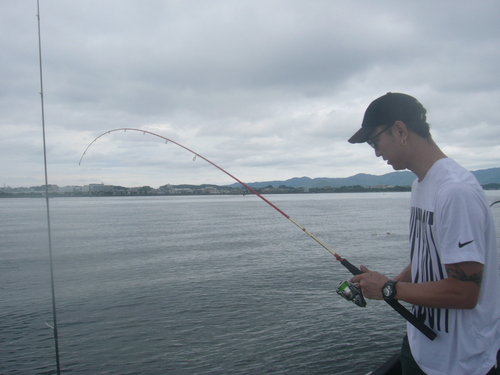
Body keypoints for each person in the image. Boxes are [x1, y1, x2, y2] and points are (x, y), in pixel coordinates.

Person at [348, 93, 500, 375]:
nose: (376, 152)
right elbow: (429, 254)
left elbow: (465, 292)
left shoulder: (455, 191)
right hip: (422, 344)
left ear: (400, 130)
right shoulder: (421, 185)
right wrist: (390, 282)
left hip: (460, 362)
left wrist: (388, 289)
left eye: (374, 141)